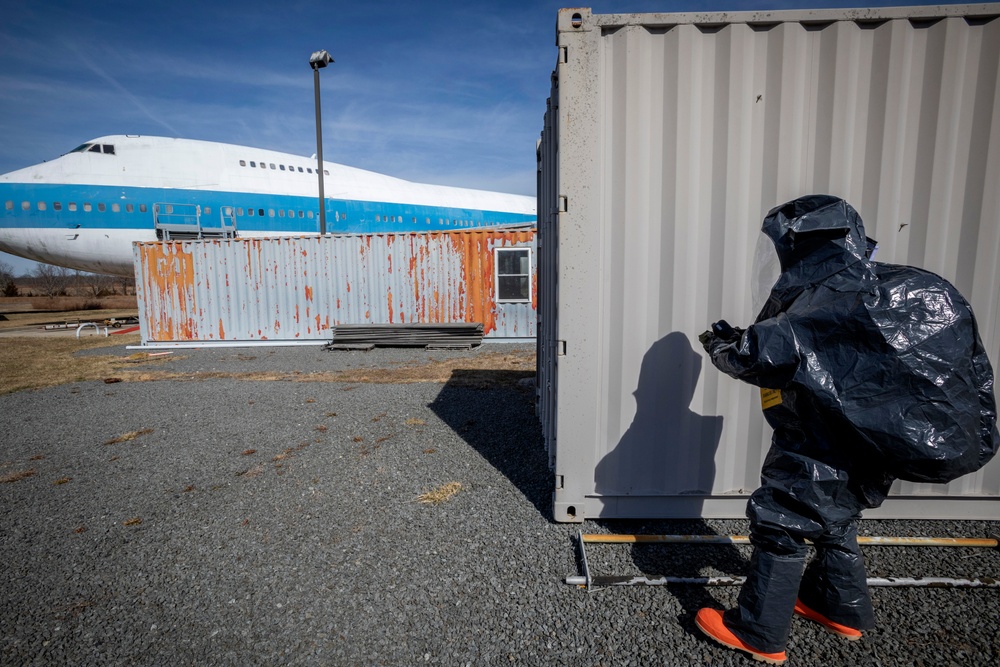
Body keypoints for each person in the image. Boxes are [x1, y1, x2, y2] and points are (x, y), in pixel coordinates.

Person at [695, 194, 999, 664]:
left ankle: (758, 632)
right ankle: (840, 609)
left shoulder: (819, 302)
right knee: (836, 520)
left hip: (819, 442)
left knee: (783, 521)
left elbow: (754, 355)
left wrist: (719, 342)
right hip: (874, 446)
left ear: (803, 246)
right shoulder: (906, 288)